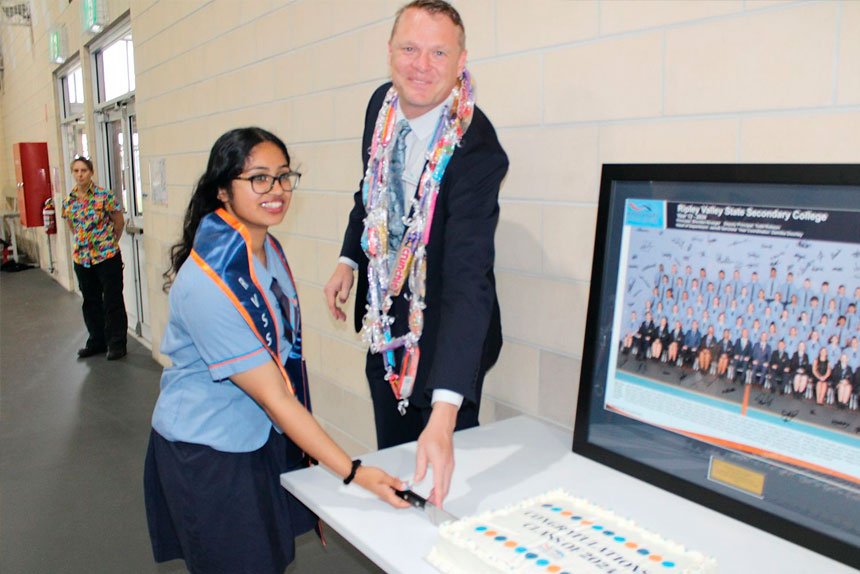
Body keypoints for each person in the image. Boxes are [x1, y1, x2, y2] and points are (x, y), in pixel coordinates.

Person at [144, 128, 408, 573]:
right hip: (210, 450)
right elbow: (274, 394)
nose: (277, 190)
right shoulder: (209, 282)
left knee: (271, 558)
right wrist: (352, 470)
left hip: (259, 437)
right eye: (260, 179)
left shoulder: (264, 248)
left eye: (284, 176)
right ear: (224, 190)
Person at [323, 0, 508, 507]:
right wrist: (349, 259)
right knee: (397, 478)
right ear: (389, 52)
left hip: (446, 343)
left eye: (437, 52)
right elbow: (371, 193)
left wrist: (445, 413)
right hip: (386, 333)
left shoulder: (476, 149)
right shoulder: (380, 106)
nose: (420, 66)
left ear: (460, 60)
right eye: (409, 48)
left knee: (439, 483)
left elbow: (471, 280)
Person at [61, 156, 128, 360]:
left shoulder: (103, 196)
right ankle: (97, 341)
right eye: (76, 171)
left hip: (106, 256)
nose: (80, 175)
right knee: (90, 302)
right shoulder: (69, 201)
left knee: (112, 300)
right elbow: (72, 227)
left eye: (84, 171)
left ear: (91, 173)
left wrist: (110, 242)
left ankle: (117, 343)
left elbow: (119, 222)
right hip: (82, 258)